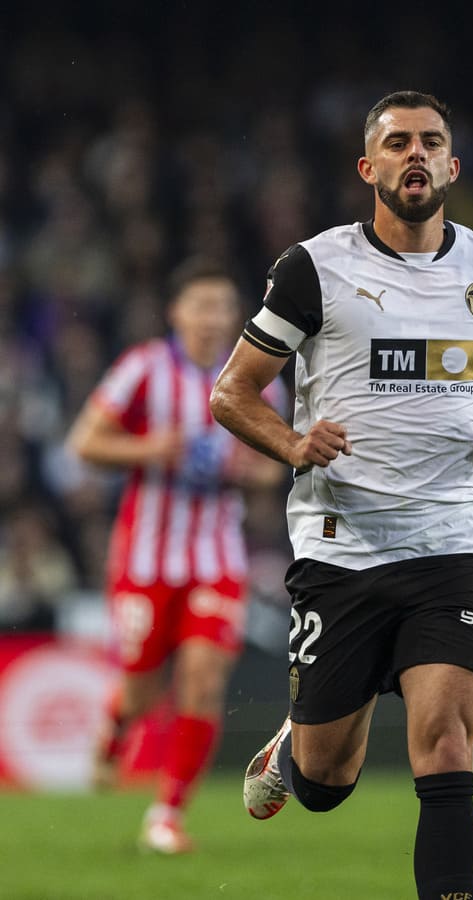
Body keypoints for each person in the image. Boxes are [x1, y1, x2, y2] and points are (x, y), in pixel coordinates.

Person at [210, 91, 473, 900]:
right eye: (398, 143)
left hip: (455, 544)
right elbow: (232, 393)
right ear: (369, 167)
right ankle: (304, 735)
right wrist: (295, 445)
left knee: (444, 743)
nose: (416, 155)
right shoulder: (314, 267)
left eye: (430, 142)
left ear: (452, 166)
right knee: (325, 782)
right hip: (343, 545)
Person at [67, 258, 284, 854]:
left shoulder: (259, 376)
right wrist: (149, 447)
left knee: (203, 677)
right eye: (203, 305)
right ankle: (118, 723)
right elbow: (85, 442)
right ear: (177, 313)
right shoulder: (144, 368)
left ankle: (166, 814)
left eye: (224, 306)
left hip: (217, 558)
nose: (215, 318)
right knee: (142, 692)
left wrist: (254, 472)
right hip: (143, 560)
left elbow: (277, 462)